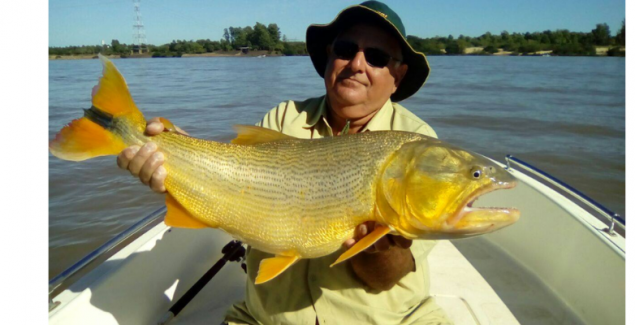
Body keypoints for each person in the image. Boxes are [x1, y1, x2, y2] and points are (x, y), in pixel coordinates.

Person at [117, 1, 451, 324]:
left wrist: (378, 248)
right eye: (346, 49)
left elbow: (386, 278)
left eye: (377, 57)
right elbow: (235, 184)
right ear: (330, 57)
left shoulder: (417, 146)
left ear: (399, 75)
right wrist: (178, 156)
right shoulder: (284, 118)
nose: (357, 65)